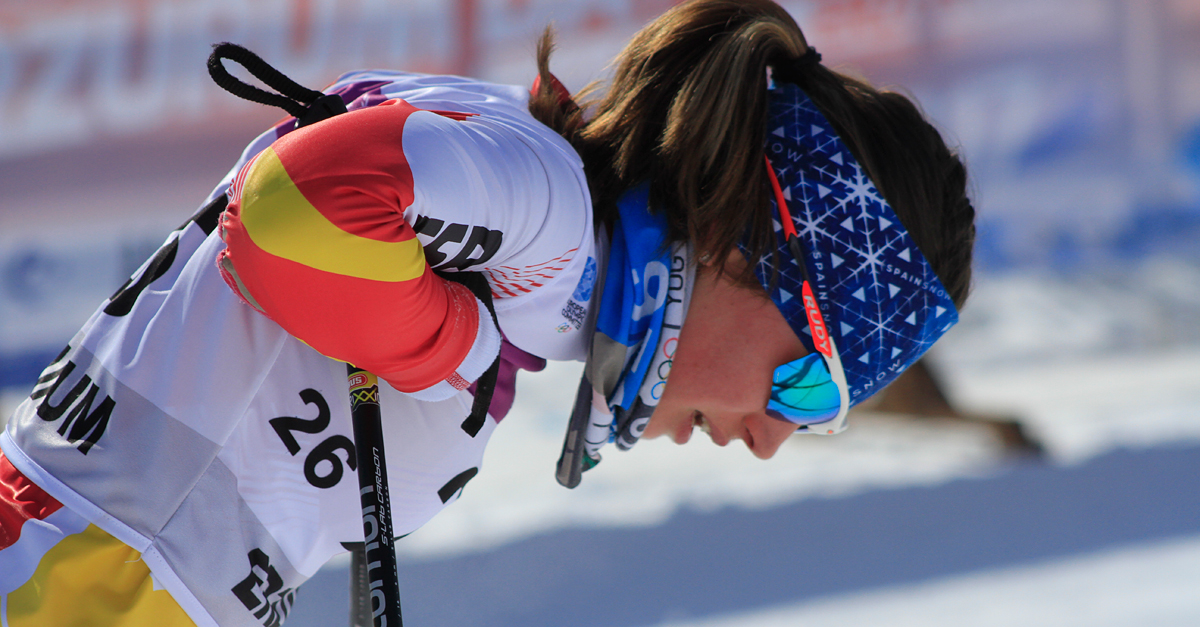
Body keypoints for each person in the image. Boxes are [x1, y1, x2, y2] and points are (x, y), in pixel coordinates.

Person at [0, 0, 974, 625]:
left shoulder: (556, 267)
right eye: (808, 387)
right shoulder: (548, 202)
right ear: (740, 247)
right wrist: (445, 341)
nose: (772, 441)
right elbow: (293, 203)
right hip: (69, 581)